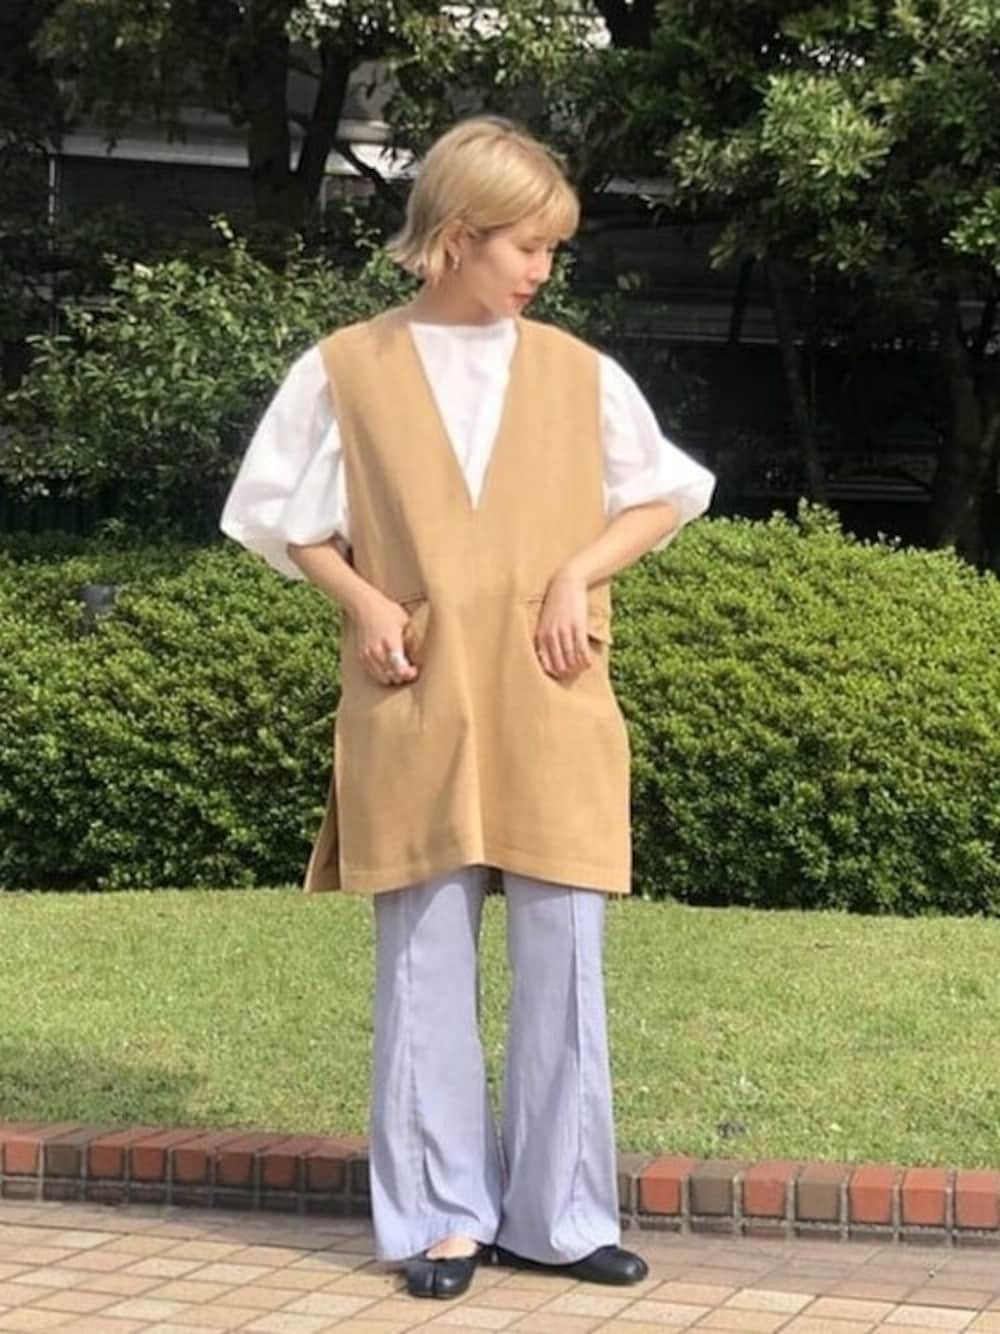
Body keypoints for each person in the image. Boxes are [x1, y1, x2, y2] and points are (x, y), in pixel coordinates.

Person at [221, 115, 715, 1301]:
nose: (543, 269)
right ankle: (442, 1218)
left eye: (551, 249)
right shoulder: (346, 368)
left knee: (563, 959)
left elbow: (665, 493)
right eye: (526, 246)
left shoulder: (579, 373)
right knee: (425, 965)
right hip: (417, 693)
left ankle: (560, 1214)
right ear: (456, 237)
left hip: (551, 694)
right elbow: (280, 519)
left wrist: (576, 571)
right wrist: (361, 602)